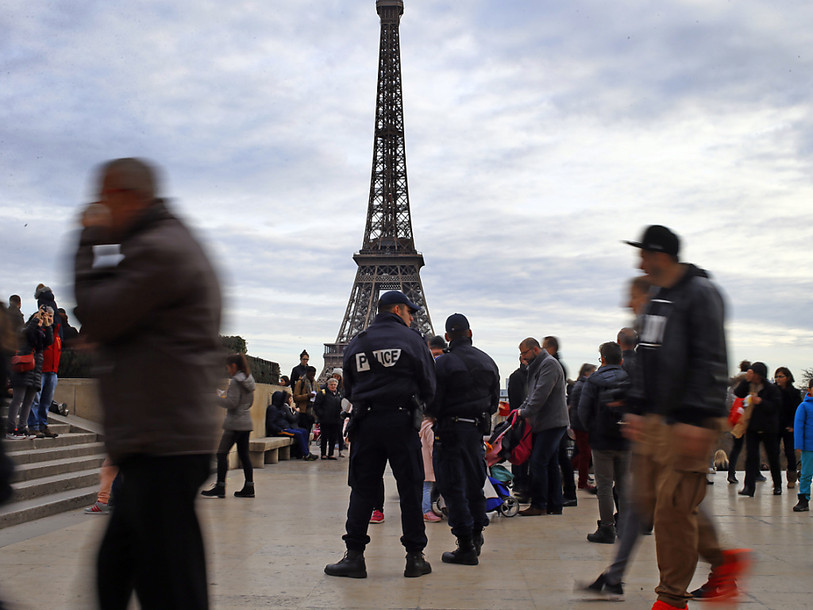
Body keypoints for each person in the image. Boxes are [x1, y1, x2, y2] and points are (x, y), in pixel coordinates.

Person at [74, 157, 222, 609]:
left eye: (104, 197)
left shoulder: (159, 250)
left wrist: (87, 241)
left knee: (163, 585)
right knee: (122, 573)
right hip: (163, 438)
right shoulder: (165, 242)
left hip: (162, 443)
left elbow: (98, 314)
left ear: (125, 196)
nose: (99, 207)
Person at [621, 225, 750, 608]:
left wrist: (697, 416)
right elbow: (646, 358)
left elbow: (712, 359)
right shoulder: (657, 298)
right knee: (648, 499)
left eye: (644, 255)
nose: (640, 264)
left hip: (690, 420)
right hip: (657, 418)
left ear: (661, 256)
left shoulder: (701, 294)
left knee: (673, 508)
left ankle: (670, 598)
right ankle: (723, 560)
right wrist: (638, 408)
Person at [324, 290, 436, 579]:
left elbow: (349, 386)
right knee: (410, 489)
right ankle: (415, 558)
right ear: (398, 310)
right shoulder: (413, 340)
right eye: (410, 312)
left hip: (366, 422)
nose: (413, 318)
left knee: (363, 489)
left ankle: (354, 556)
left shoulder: (358, 342)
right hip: (401, 420)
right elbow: (429, 383)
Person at [428, 313, 499, 565]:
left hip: (449, 431)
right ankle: (477, 532)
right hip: (475, 431)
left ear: (448, 336)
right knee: (474, 484)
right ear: (470, 333)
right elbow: (493, 403)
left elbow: (432, 402)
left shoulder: (443, 364)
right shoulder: (488, 361)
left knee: (452, 487)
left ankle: (465, 544)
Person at [579, 342, 630, 544]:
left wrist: (593, 430)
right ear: (621, 360)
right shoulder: (629, 379)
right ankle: (624, 525)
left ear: (602, 358)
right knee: (624, 484)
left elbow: (583, 410)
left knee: (604, 486)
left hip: (602, 441)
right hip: (625, 439)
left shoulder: (594, 381)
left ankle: (607, 528)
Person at [516, 337, 569, 516]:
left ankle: (539, 504)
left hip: (551, 423)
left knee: (538, 462)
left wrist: (523, 412)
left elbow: (539, 395)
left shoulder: (548, 365)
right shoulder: (541, 365)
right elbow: (532, 395)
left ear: (535, 350)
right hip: (549, 422)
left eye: (525, 353)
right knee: (550, 463)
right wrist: (520, 409)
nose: (523, 357)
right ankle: (554, 504)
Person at [202, 353, 256, 499]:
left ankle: (220, 486)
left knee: (221, 453)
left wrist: (216, 397)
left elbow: (231, 403)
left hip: (234, 423)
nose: (228, 371)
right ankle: (249, 486)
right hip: (246, 422)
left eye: (228, 367)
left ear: (233, 366)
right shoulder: (249, 380)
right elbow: (249, 402)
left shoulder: (235, 382)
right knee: (244, 454)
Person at [734, 362, 782, 497]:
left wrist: (761, 402)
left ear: (759, 375)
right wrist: (746, 380)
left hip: (769, 428)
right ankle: (749, 487)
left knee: (773, 457)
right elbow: (738, 393)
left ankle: (777, 485)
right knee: (751, 457)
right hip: (752, 427)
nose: (751, 375)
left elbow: (776, 406)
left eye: (753, 373)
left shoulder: (771, 389)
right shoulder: (749, 385)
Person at [6, 305, 54, 439]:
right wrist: (36, 318)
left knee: (28, 402)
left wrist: (47, 324)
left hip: (35, 371)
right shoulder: (24, 330)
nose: (40, 320)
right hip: (23, 369)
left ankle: (22, 428)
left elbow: (49, 341)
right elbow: (28, 332)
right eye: (37, 318)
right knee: (18, 399)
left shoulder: (40, 334)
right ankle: (11, 429)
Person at [265, 390, 317, 460]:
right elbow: (270, 423)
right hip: (281, 430)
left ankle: (304, 452)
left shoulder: (280, 408)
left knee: (304, 431)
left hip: (287, 428)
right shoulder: (272, 409)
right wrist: (279, 429)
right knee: (299, 434)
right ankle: (306, 454)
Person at [569, 363, 596, 491]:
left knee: (583, 452)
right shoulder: (584, 386)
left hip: (578, 423)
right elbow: (584, 406)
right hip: (582, 424)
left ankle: (569, 471)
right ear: (587, 373)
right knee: (585, 453)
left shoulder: (579, 385)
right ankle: (582, 481)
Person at [774, 367, 801, 488]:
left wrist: (793, 425)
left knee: (789, 452)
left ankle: (791, 478)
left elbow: (797, 411)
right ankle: (776, 479)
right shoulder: (773, 391)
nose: (778, 379)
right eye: (777, 376)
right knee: (774, 453)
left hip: (789, 426)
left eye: (781, 376)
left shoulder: (794, 392)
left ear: (788, 377)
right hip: (775, 426)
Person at [726, 360, 751, 484]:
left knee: (736, 447)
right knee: (752, 447)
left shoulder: (734, 382)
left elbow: (729, 399)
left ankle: (731, 473)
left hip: (737, 418)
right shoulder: (751, 381)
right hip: (749, 416)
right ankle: (755, 473)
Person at [793, 380, 813, 512]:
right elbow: (798, 426)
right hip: (809, 447)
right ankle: (803, 499)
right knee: (806, 474)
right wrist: (799, 444)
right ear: (809, 389)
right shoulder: (804, 406)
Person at [314, 377, 343, 459]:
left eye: (334, 385)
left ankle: (331, 453)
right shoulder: (322, 393)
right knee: (324, 437)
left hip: (335, 419)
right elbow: (316, 406)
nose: (333, 386)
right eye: (331, 385)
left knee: (333, 437)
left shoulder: (339, 394)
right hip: (325, 419)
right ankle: (323, 453)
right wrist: (321, 414)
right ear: (328, 385)